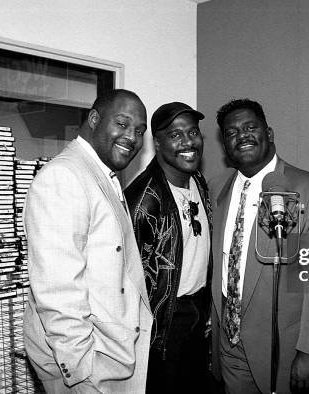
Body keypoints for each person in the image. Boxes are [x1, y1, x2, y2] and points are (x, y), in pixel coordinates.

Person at [23, 89, 152, 393]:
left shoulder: (101, 171)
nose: (131, 137)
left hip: (110, 355)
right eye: (122, 124)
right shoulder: (65, 176)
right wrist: (81, 370)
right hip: (86, 367)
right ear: (95, 119)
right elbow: (57, 288)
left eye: (139, 130)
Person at [209, 98, 309, 394]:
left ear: (269, 133)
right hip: (230, 345)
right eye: (231, 133)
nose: (241, 136)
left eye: (250, 127)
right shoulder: (217, 187)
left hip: (285, 349)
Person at [125, 102, 212, 394]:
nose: (188, 142)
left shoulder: (198, 180)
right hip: (165, 324)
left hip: (198, 312)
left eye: (193, 132)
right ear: (158, 143)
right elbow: (126, 280)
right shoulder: (143, 200)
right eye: (176, 135)